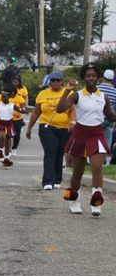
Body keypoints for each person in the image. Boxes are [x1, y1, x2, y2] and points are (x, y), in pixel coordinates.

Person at [56, 64, 116, 215]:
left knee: (97, 168)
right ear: (83, 78)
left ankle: (96, 203)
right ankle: (74, 200)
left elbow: (110, 117)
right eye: (88, 76)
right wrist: (67, 90)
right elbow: (60, 109)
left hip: (97, 133)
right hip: (80, 133)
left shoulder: (104, 97)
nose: (91, 78)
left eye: (93, 76)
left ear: (98, 78)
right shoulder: (77, 95)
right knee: (78, 171)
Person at [26, 71, 76, 190]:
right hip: (47, 127)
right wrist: (29, 128)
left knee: (59, 153)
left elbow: (72, 109)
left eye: (58, 80)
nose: (55, 83)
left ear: (62, 81)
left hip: (64, 128)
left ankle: (57, 179)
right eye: (53, 80)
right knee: (50, 152)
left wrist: (73, 121)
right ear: (49, 82)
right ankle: (48, 181)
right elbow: (36, 112)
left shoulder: (69, 92)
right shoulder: (43, 94)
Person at [0, 85, 23, 169]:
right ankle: (0, 151)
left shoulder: (12, 105)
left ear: (9, 97)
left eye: (5, 97)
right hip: (1, 123)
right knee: (2, 136)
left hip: (9, 124)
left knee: (8, 143)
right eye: (2, 97)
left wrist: (24, 110)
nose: (3, 99)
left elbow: (21, 110)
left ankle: (6, 159)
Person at [97, 69, 116, 163]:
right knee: (107, 139)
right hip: (110, 118)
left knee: (95, 138)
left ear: (103, 78)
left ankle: (94, 158)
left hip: (97, 117)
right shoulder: (114, 91)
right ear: (112, 79)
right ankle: (103, 160)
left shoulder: (97, 89)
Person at [10, 78, 28, 155]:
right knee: (7, 135)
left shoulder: (19, 97)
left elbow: (23, 107)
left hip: (17, 119)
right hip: (8, 119)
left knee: (17, 135)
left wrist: (21, 113)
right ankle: (8, 150)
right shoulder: (5, 98)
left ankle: (14, 148)